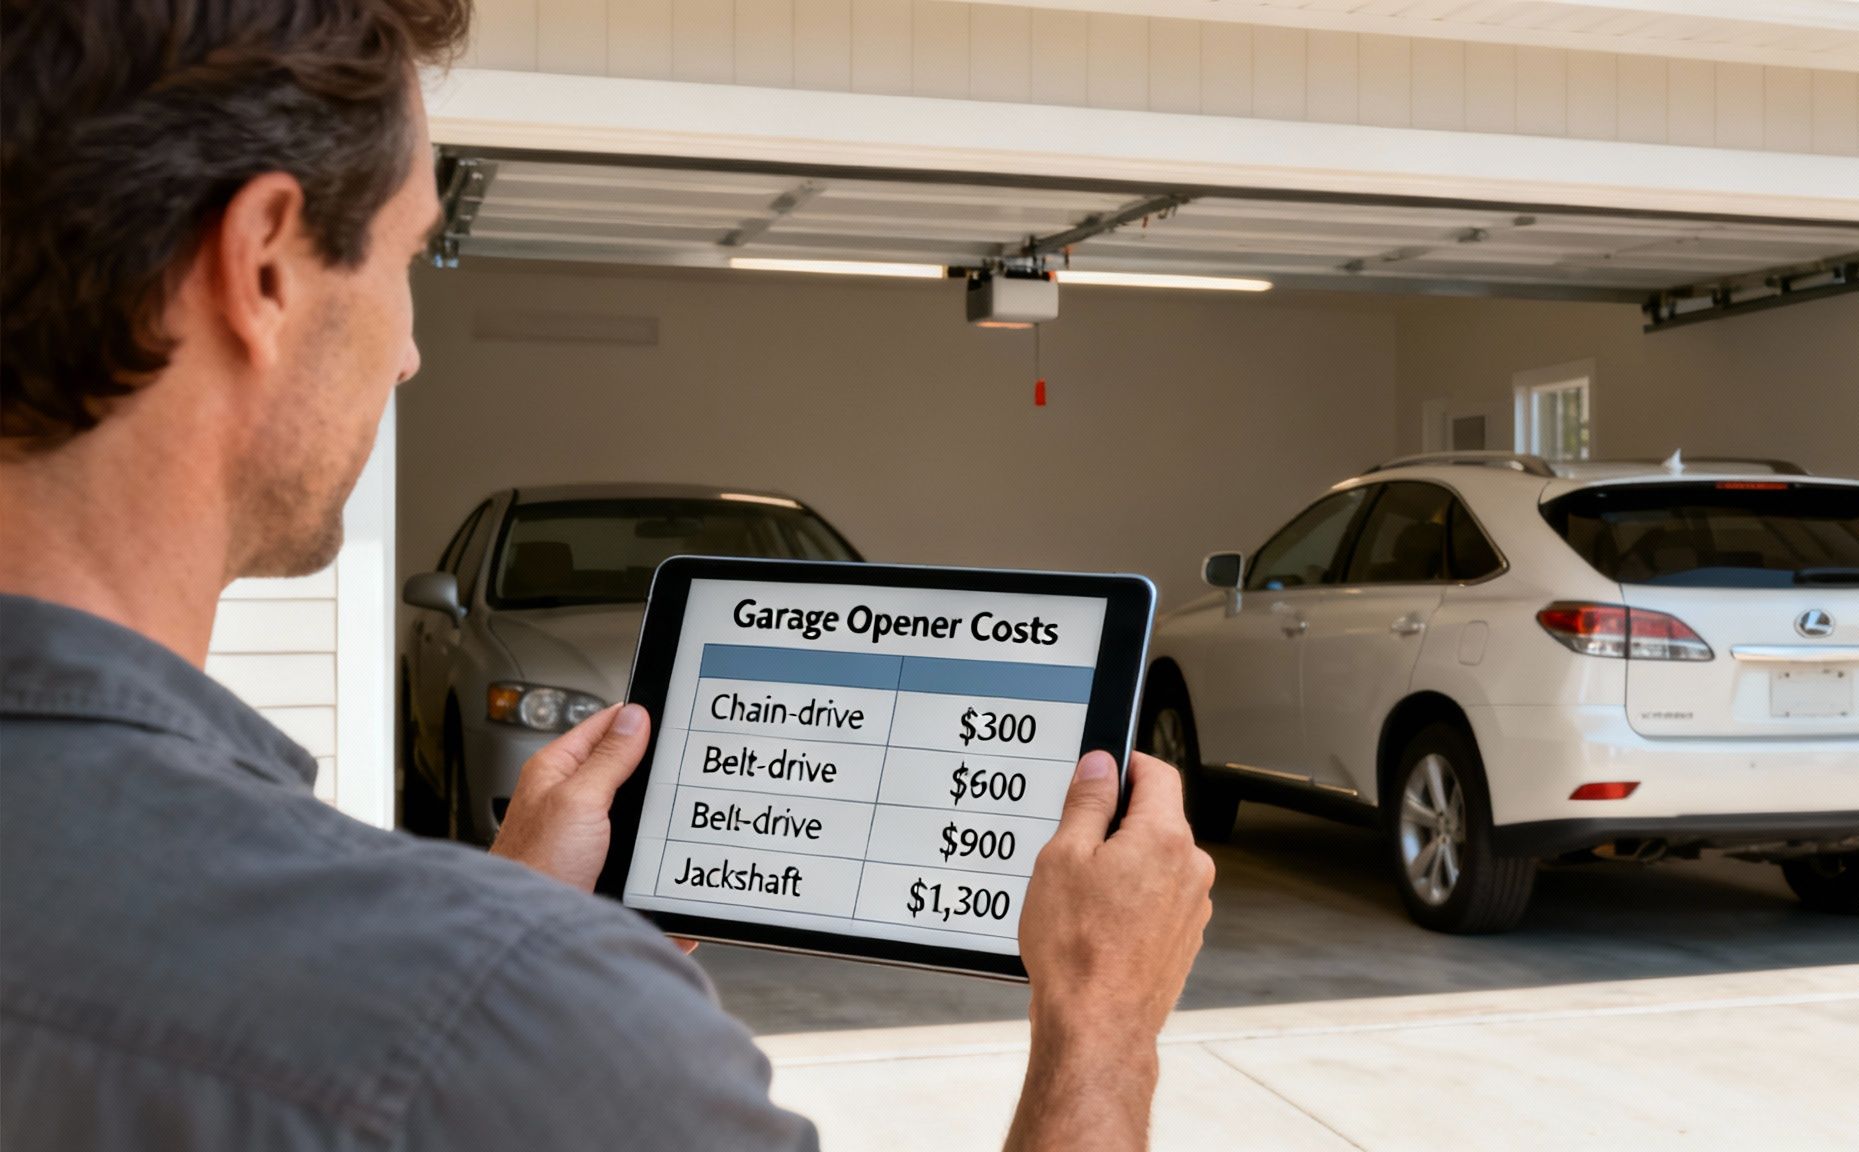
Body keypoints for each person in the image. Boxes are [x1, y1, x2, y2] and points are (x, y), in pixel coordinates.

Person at [0, 2, 1216, 1149]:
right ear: (264, 265)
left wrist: (519, 927)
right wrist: (1102, 1028)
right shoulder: (517, 1021)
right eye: (407, 254)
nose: (410, 352)